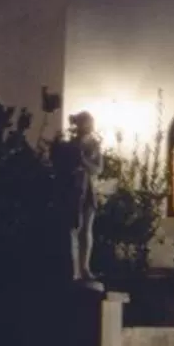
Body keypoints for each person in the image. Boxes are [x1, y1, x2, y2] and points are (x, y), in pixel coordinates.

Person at [54, 111, 106, 282]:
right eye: (85, 123)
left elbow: (98, 169)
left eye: (90, 123)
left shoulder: (94, 145)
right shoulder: (70, 145)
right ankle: (74, 269)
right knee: (73, 229)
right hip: (73, 188)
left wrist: (83, 160)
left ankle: (85, 268)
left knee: (86, 230)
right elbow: (61, 166)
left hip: (88, 188)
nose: (88, 127)